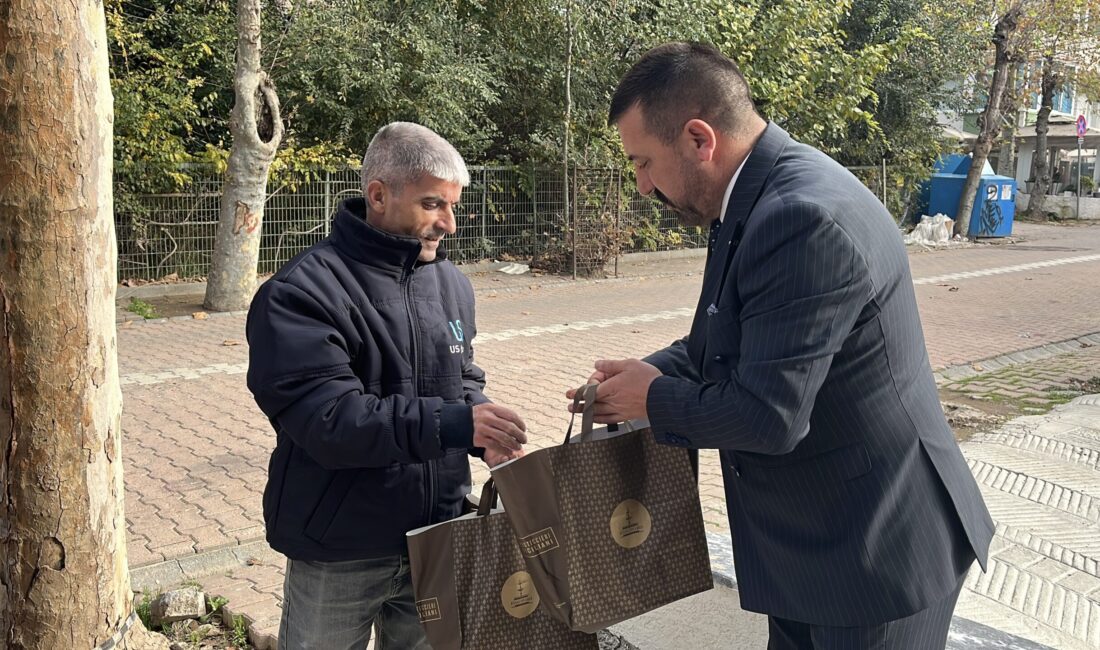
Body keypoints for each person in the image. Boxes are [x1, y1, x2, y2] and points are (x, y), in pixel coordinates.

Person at [574, 42, 994, 649]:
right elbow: (727, 340)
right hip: (819, 542)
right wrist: (639, 375)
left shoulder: (799, 217)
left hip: (872, 558)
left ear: (698, 139)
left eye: (643, 163)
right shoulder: (756, 195)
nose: (642, 186)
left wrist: (654, 398)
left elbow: (769, 417)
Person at [246, 122, 528, 649]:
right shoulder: (300, 293)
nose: (448, 224)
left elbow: (461, 378)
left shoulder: (450, 283)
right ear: (378, 195)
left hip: (436, 535)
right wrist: (455, 424)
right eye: (432, 204)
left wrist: (483, 427)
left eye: (452, 206)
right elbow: (330, 421)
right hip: (339, 547)